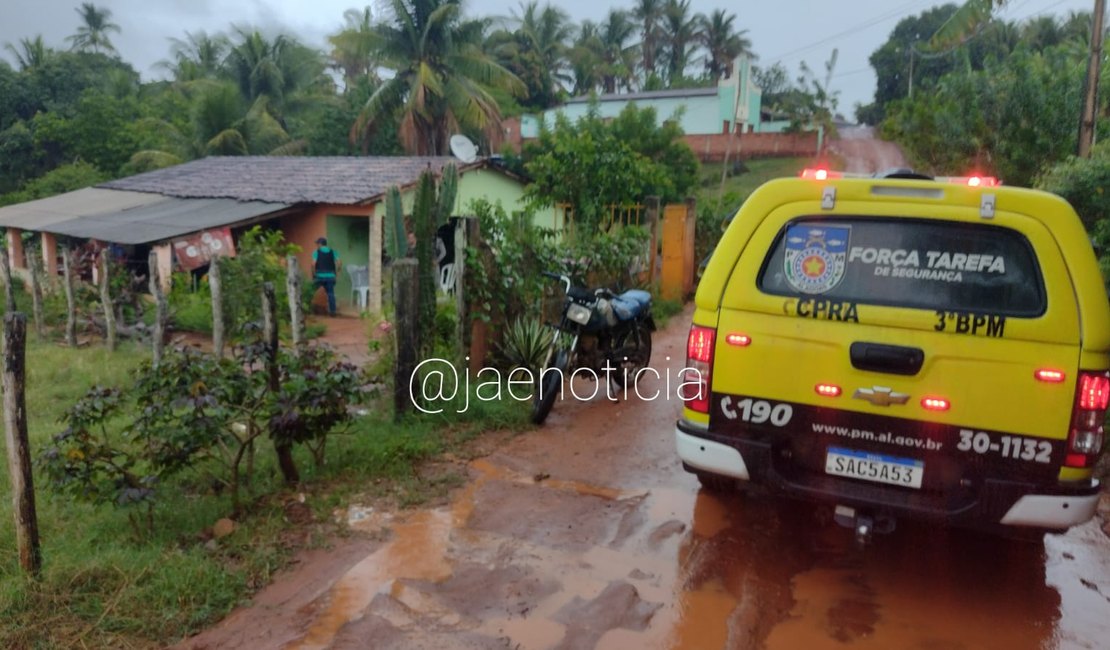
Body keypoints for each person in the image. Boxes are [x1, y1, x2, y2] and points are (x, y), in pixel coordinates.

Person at [312, 237, 341, 316]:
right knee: (330, 294)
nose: (317, 245)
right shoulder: (333, 252)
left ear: (320, 244)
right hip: (331, 276)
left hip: (319, 276)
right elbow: (339, 263)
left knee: (311, 291)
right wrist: (337, 272)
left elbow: (313, 264)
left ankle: (308, 309)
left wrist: (314, 274)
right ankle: (333, 312)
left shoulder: (316, 252)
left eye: (317, 244)